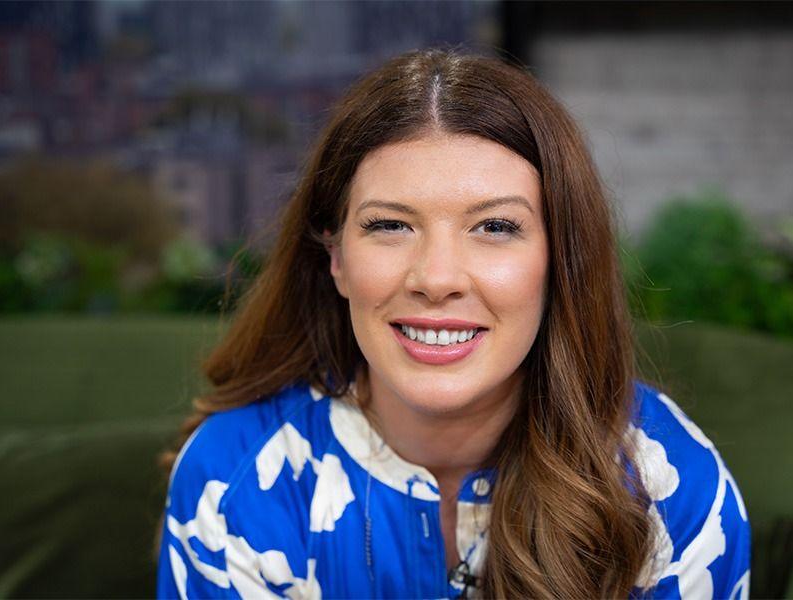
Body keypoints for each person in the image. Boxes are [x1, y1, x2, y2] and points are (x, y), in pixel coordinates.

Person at [155, 47, 750, 599]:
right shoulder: (238, 481)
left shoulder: (668, 487)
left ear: (561, 260)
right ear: (336, 258)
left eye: (494, 227)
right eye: (390, 225)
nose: (437, 278)